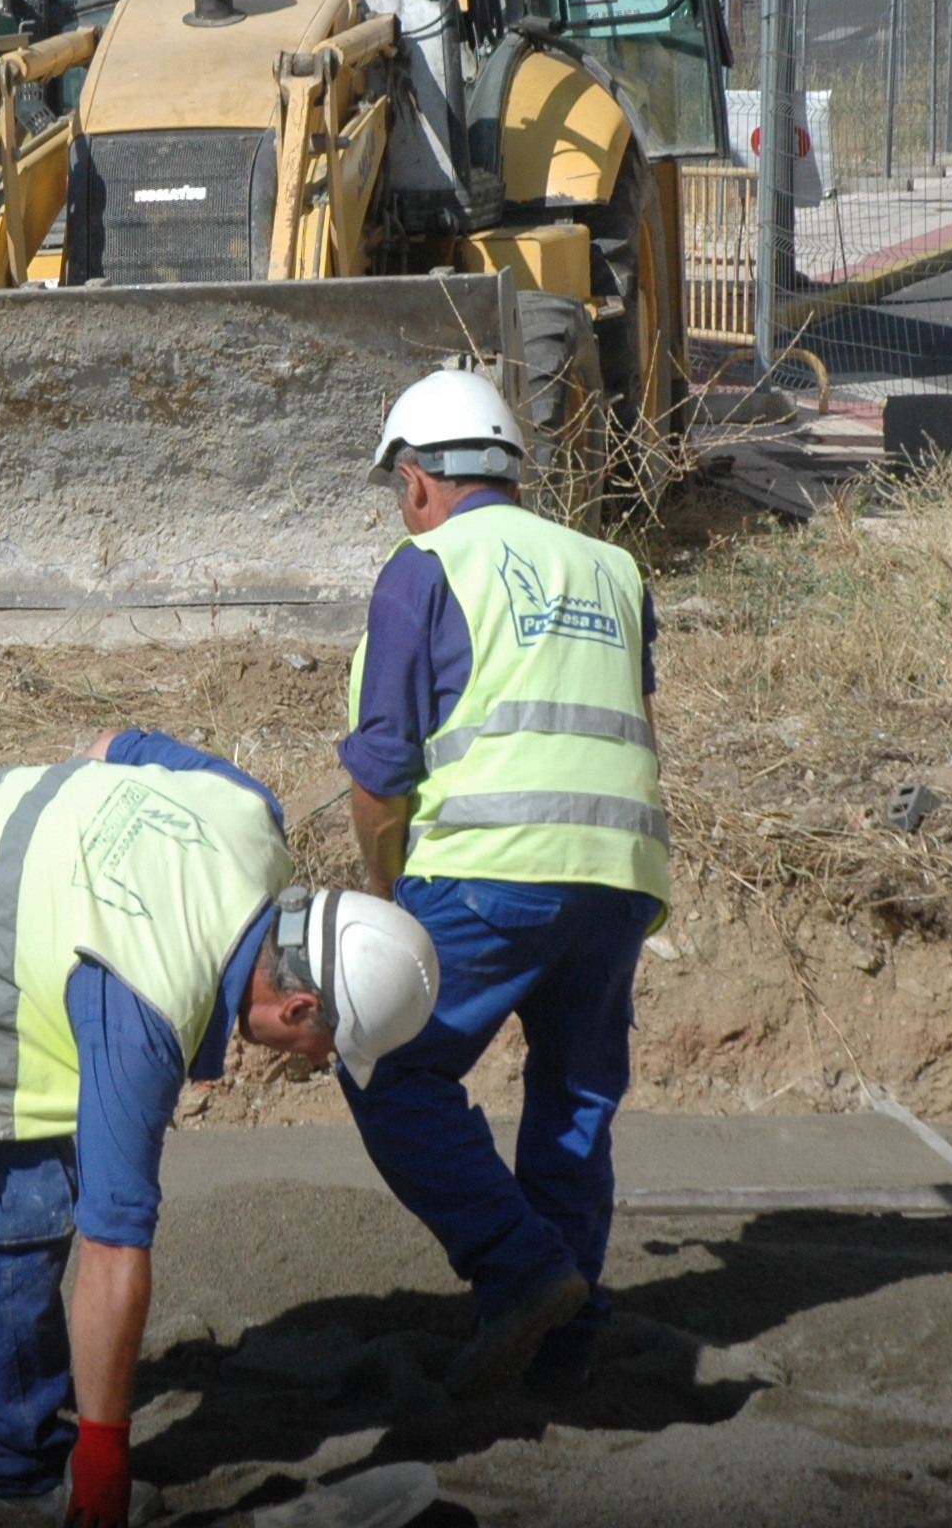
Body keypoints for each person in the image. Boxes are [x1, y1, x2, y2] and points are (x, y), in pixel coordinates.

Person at [0, 728, 439, 1523]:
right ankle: (11, 1466)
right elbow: (113, 1252)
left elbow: (112, 744)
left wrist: (66, 876)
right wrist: (103, 1456)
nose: (315, 1062)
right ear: (298, 1005)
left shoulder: (250, 814)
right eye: (325, 1048)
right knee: (11, 1187)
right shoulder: (146, 1008)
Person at [336, 367, 668, 1398]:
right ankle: (562, 1341)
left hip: (486, 869)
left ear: (417, 479)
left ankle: (521, 1271)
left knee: (386, 1066)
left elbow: (381, 771)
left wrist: (382, 897)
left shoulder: (424, 565)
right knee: (574, 1097)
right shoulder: (613, 567)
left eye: (400, 491)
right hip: (617, 876)